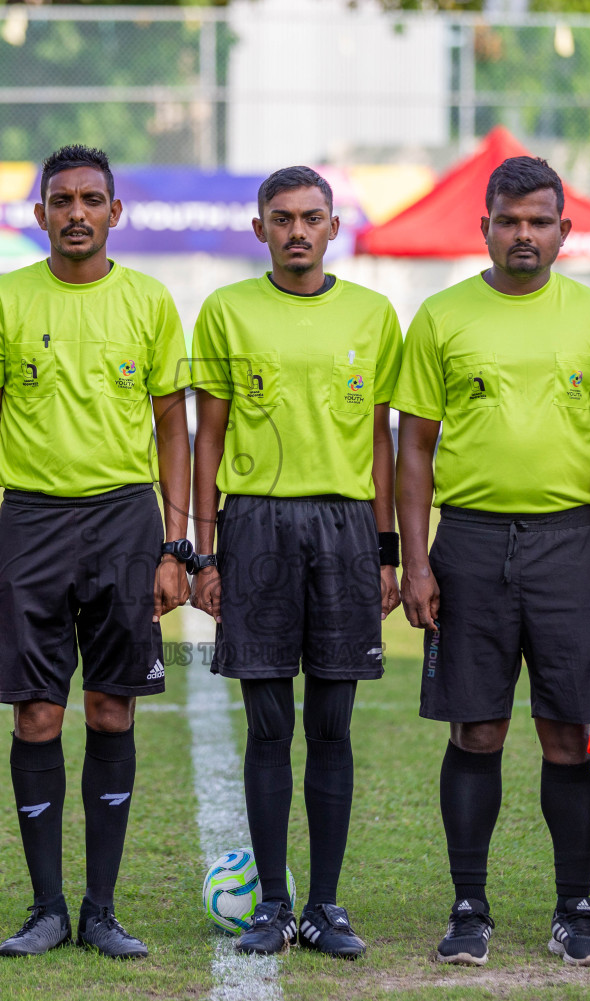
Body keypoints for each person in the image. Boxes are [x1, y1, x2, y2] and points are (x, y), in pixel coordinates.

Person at [393, 155, 590, 968]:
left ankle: (575, 905)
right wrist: (418, 561)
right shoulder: (440, 316)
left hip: (571, 543)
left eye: (540, 221)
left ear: (565, 231)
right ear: (486, 227)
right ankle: (469, 905)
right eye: (510, 220)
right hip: (467, 543)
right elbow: (414, 450)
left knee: (573, 736)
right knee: (479, 730)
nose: (524, 234)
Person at [0, 145, 191, 959]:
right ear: (41, 214)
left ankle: (101, 909)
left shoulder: (150, 302)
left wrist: (174, 543)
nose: (77, 213)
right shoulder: (6, 301)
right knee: (38, 713)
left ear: (115, 213)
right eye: (62, 200)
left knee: (110, 707)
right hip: (32, 524)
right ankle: (46, 908)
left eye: (93, 198)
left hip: (126, 520)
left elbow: (172, 426)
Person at [190, 166, 403, 958]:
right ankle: (273, 906)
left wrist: (387, 553)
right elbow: (208, 435)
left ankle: (324, 905)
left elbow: (382, 439)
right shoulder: (226, 311)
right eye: (282, 218)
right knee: (269, 721)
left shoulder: (375, 315)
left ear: (334, 227)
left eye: (312, 217)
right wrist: (206, 551)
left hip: (345, 528)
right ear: (260, 230)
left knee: (333, 723)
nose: (297, 231)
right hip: (257, 526)